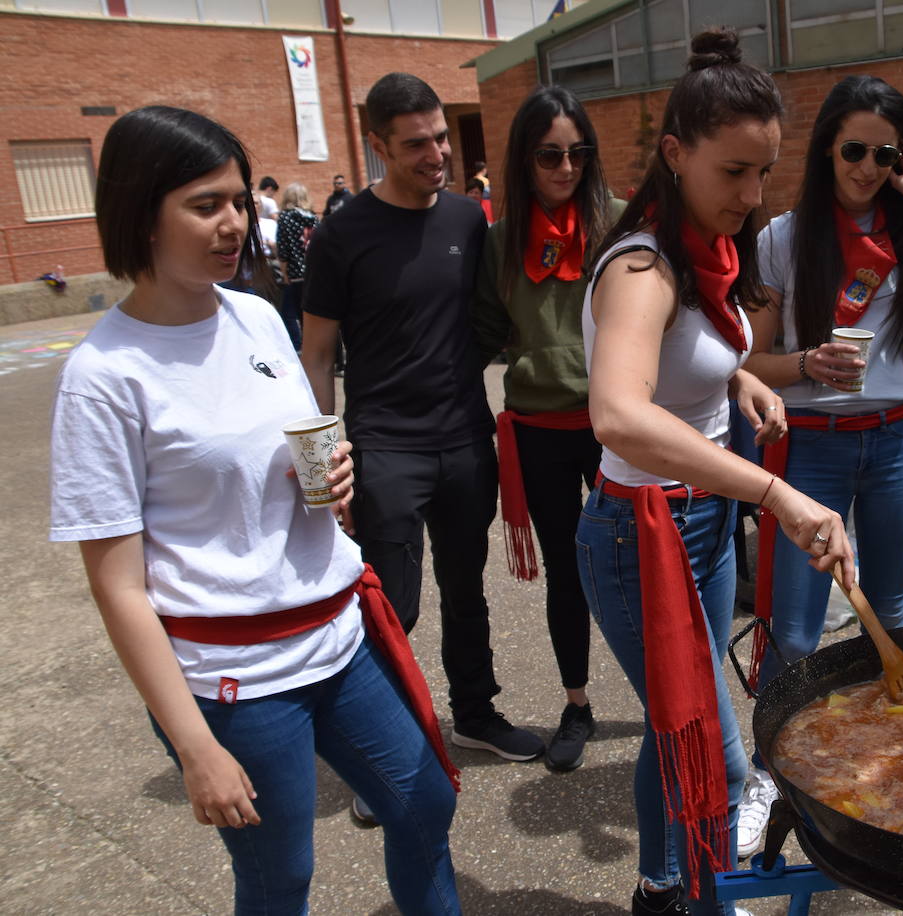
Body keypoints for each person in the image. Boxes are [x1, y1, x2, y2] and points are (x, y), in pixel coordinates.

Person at [49, 105, 462, 914]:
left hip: (339, 638)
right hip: (234, 678)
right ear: (140, 211)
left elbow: (291, 443)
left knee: (425, 803)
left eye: (238, 199)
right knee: (281, 879)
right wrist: (195, 746)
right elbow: (119, 588)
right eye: (205, 205)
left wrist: (333, 472)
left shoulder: (255, 315)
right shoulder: (105, 376)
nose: (233, 222)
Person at [578, 28, 852, 916]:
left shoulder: (705, 253)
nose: (754, 193)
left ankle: (661, 887)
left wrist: (737, 377)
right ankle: (706, 904)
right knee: (710, 756)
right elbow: (619, 411)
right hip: (638, 532)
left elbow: (686, 357)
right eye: (734, 171)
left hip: (701, 519)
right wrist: (774, 489)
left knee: (672, 741)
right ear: (673, 154)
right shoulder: (643, 265)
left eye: (764, 172)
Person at [736, 75, 903, 858]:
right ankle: (770, 775)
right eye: (854, 150)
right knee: (797, 627)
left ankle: (883, 756)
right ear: (826, 148)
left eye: (886, 153)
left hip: (899, 440)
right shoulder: (782, 236)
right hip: (810, 442)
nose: (868, 167)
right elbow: (748, 360)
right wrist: (807, 362)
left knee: (894, 608)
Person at [300, 72, 544, 764]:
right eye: (416, 144)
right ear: (377, 145)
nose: (436, 153)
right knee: (390, 607)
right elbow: (316, 357)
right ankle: (384, 747)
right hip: (385, 448)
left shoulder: (469, 219)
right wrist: (323, 478)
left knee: (468, 593)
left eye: (440, 137)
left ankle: (474, 714)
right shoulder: (341, 235)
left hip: (465, 438)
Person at [472, 85, 623, 772]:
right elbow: (480, 333)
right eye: (549, 156)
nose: (565, 168)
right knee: (566, 568)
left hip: (617, 422)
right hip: (541, 427)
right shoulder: (500, 242)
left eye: (577, 153)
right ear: (524, 161)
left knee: (644, 561)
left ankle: (671, 694)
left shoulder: (619, 224)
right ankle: (577, 704)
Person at [275, 181, 317, 350]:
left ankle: (299, 348)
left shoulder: (285, 217)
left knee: (288, 314)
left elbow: (283, 247)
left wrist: (284, 273)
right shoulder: (313, 217)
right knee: (310, 314)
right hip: (314, 272)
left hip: (294, 272)